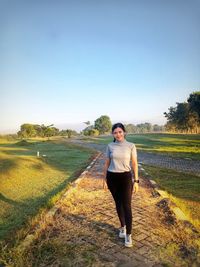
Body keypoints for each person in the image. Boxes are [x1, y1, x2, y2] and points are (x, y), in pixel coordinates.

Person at [103, 122, 139, 248]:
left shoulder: (131, 146)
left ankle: (129, 234)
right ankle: (122, 227)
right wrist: (104, 179)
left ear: (124, 132)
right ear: (112, 134)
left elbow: (134, 163)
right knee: (118, 204)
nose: (118, 134)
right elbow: (107, 163)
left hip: (125, 178)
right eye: (115, 132)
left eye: (120, 132)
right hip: (112, 178)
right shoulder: (110, 146)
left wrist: (136, 181)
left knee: (127, 206)